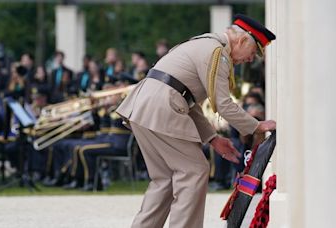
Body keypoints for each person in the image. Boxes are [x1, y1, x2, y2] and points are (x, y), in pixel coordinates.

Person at [116, 14, 276, 228]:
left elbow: (186, 98)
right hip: (162, 108)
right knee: (194, 170)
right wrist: (257, 125)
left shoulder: (206, 43)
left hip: (145, 106)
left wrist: (212, 138)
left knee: (164, 180)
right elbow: (223, 104)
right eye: (253, 52)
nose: (250, 59)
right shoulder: (218, 52)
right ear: (242, 40)